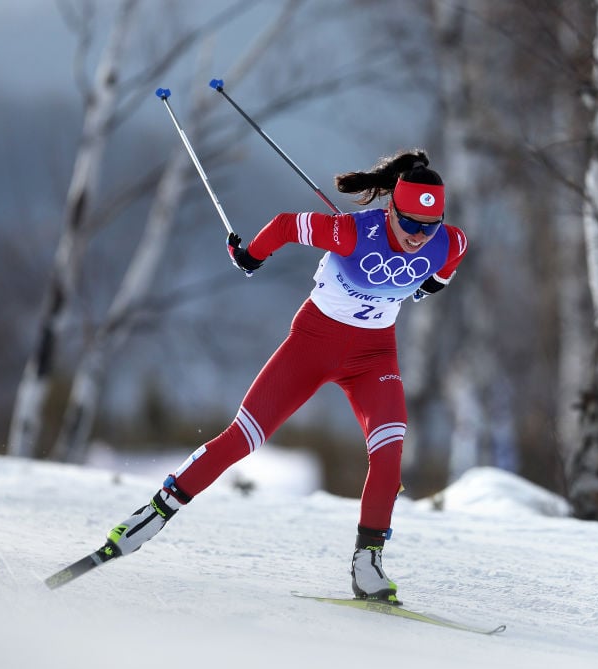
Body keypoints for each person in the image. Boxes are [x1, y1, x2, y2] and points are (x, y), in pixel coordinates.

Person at [102, 149, 466, 604]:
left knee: (390, 454)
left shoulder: (449, 242)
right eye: (410, 223)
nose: (418, 236)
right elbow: (284, 225)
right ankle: (152, 514)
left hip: (375, 357)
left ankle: (367, 562)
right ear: (390, 207)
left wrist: (426, 283)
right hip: (313, 345)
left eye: (427, 227)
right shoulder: (350, 231)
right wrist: (250, 257)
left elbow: (443, 270)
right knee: (243, 439)